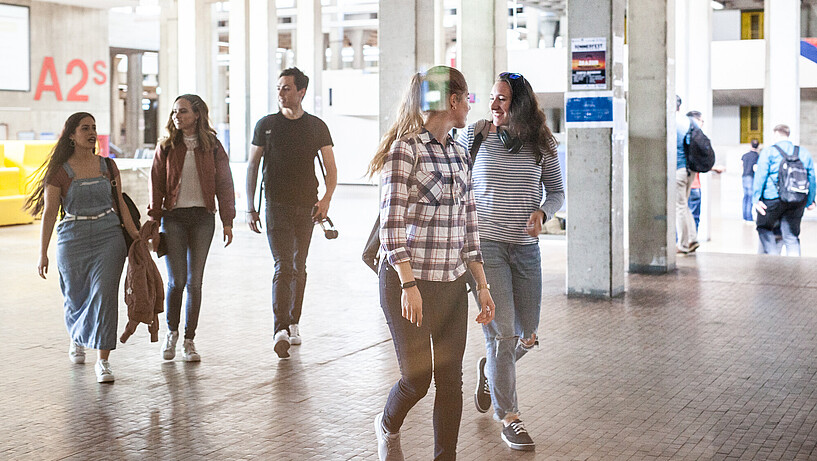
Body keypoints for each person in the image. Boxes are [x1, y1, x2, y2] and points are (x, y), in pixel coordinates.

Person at [366, 66, 495, 461]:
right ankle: (387, 425)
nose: (470, 105)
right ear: (452, 101)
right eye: (467, 98)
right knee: (417, 379)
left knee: (450, 382)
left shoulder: (459, 153)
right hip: (410, 284)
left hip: (452, 285)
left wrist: (482, 286)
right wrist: (408, 285)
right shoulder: (405, 150)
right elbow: (390, 229)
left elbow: (468, 225)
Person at [456, 72, 564, 452]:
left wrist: (543, 212)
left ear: (518, 103)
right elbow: (456, 180)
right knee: (501, 335)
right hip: (486, 249)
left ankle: (491, 368)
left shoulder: (542, 143)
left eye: (501, 99)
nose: (493, 105)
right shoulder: (476, 135)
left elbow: (557, 192)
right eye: (491, 98)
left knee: (527, 334)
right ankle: (510, 417)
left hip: (524, 248)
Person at [26, 112, 138, 383]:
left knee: (104, 294)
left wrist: (136, 236)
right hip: (72, 237)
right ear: (72, 135)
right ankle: (77, 336)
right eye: (85, 128)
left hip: (108, 235)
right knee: (75, 295)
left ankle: (103, 361)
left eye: (94, 128)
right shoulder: (59, 172)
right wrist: (42, 252)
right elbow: (50, 212)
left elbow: (120, 204)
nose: (91, 132)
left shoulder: (107, 167)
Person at [246, 67, 337, 359]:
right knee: (283, 265)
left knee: (300, 266)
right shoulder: (266, 125)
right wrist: (250, 207)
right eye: (278, 88)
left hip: (307, 206)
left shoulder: (316, 126)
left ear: (301, 92)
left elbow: (331, 169)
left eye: (287, 88)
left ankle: (294, 321)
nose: (281, 93)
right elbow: (252, 167)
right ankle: (280, 329)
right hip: (276, 205)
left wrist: (326, 200)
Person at [149, 94, 236, 362]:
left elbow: (224, 183)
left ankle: (189, 340)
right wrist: (154, 221)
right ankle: (171, 333)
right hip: (173, 218)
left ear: (197, 114)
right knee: (177, 281)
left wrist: (228, 220)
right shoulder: (166, 146)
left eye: (183, 111)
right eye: (175, 112)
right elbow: (156, 185)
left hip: (202, 219)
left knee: (194, 282)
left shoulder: (213, 147)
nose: (177, 116)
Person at [752, 124, 816, 256]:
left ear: (775, 134)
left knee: (764, 228)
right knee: (791, 236)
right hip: (797, 199)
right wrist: (810, 201)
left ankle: (773, 258)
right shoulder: (803, 152)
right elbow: (812, 178)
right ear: (788, 135)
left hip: (772, 198)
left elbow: (761, 175)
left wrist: (756, 198)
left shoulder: (769, 151)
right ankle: (795, 268)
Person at [741, 139, 760, 222]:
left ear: (750, 145)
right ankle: (749, 217)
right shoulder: (757, 156)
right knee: (750, 197)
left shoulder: (745, 155)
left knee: (745, 197)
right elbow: (755, 168)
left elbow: (741, 166)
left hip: (744, 177)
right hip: (751, 177)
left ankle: (744, 216)